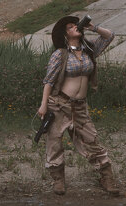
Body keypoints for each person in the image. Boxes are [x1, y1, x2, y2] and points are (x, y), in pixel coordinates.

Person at [36, 15, 119, 195]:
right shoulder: (60, 54)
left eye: (76, 25)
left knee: (92, 140)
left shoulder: (89, 50)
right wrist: (43, 106)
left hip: (80, 106)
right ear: (65, 35)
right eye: (70, 27)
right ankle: (58, 181)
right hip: (59, 104)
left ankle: (107, 178)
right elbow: (48, 81)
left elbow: (110, 36)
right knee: (55, 142)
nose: (75, 28)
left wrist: (92, 27)